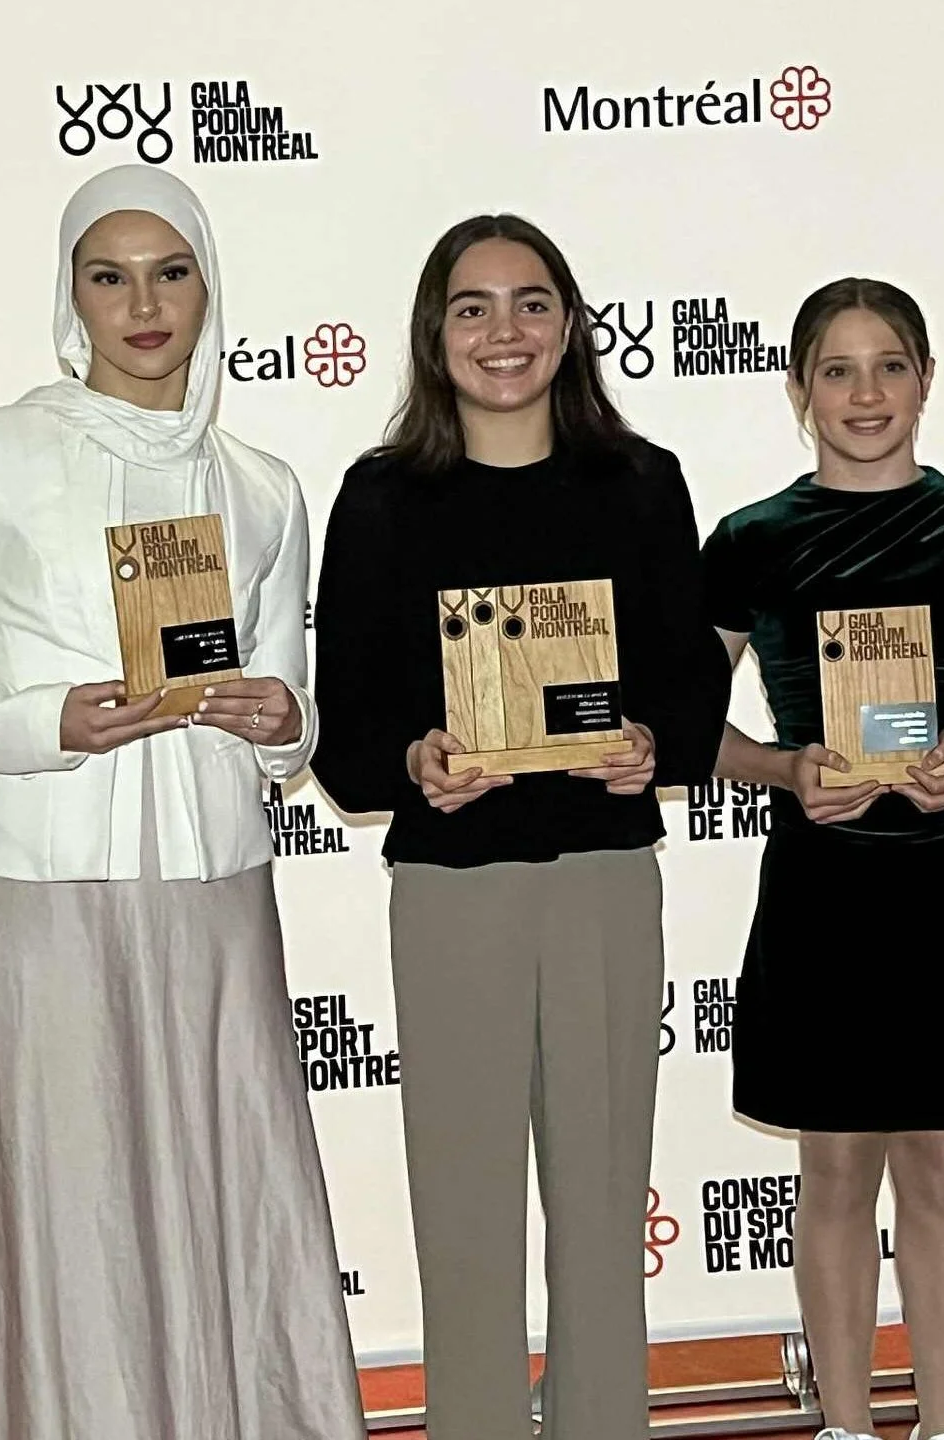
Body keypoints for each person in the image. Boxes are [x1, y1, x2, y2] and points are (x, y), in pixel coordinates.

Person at [0, 164, 364, 1440]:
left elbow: (287, 711)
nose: (143, 304)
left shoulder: (262, 486)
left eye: (171, 272)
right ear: (71, 295)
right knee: (64, 1195)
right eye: (110, 275)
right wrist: (45, 721)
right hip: (41, 889)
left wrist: (284, 724)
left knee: (233, 1182)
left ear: (208, 289)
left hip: (215, 893)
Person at [311, 213, 730, 1440]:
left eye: (533, 302)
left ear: (571, 324)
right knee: (464, 1202)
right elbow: (349, 731)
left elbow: (689, 685)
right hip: (454, 889)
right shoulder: (383, 498)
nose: (507, 332)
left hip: (603, 877)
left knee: (604, 1205)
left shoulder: (641, 481)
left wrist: (656, 743)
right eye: (475, 307)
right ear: (435, 336)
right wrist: (412, 760)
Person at [701, 278, 944, 1440]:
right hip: (822, 891)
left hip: (943, 888)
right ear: (797, 390)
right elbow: (684, 722)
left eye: (889, 366)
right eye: (837, 369)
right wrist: (785, 770)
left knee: (938, 1169)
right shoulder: (750, 543)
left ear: (927, 378)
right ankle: (841, 1427)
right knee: (832, 1174)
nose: (865, 393)